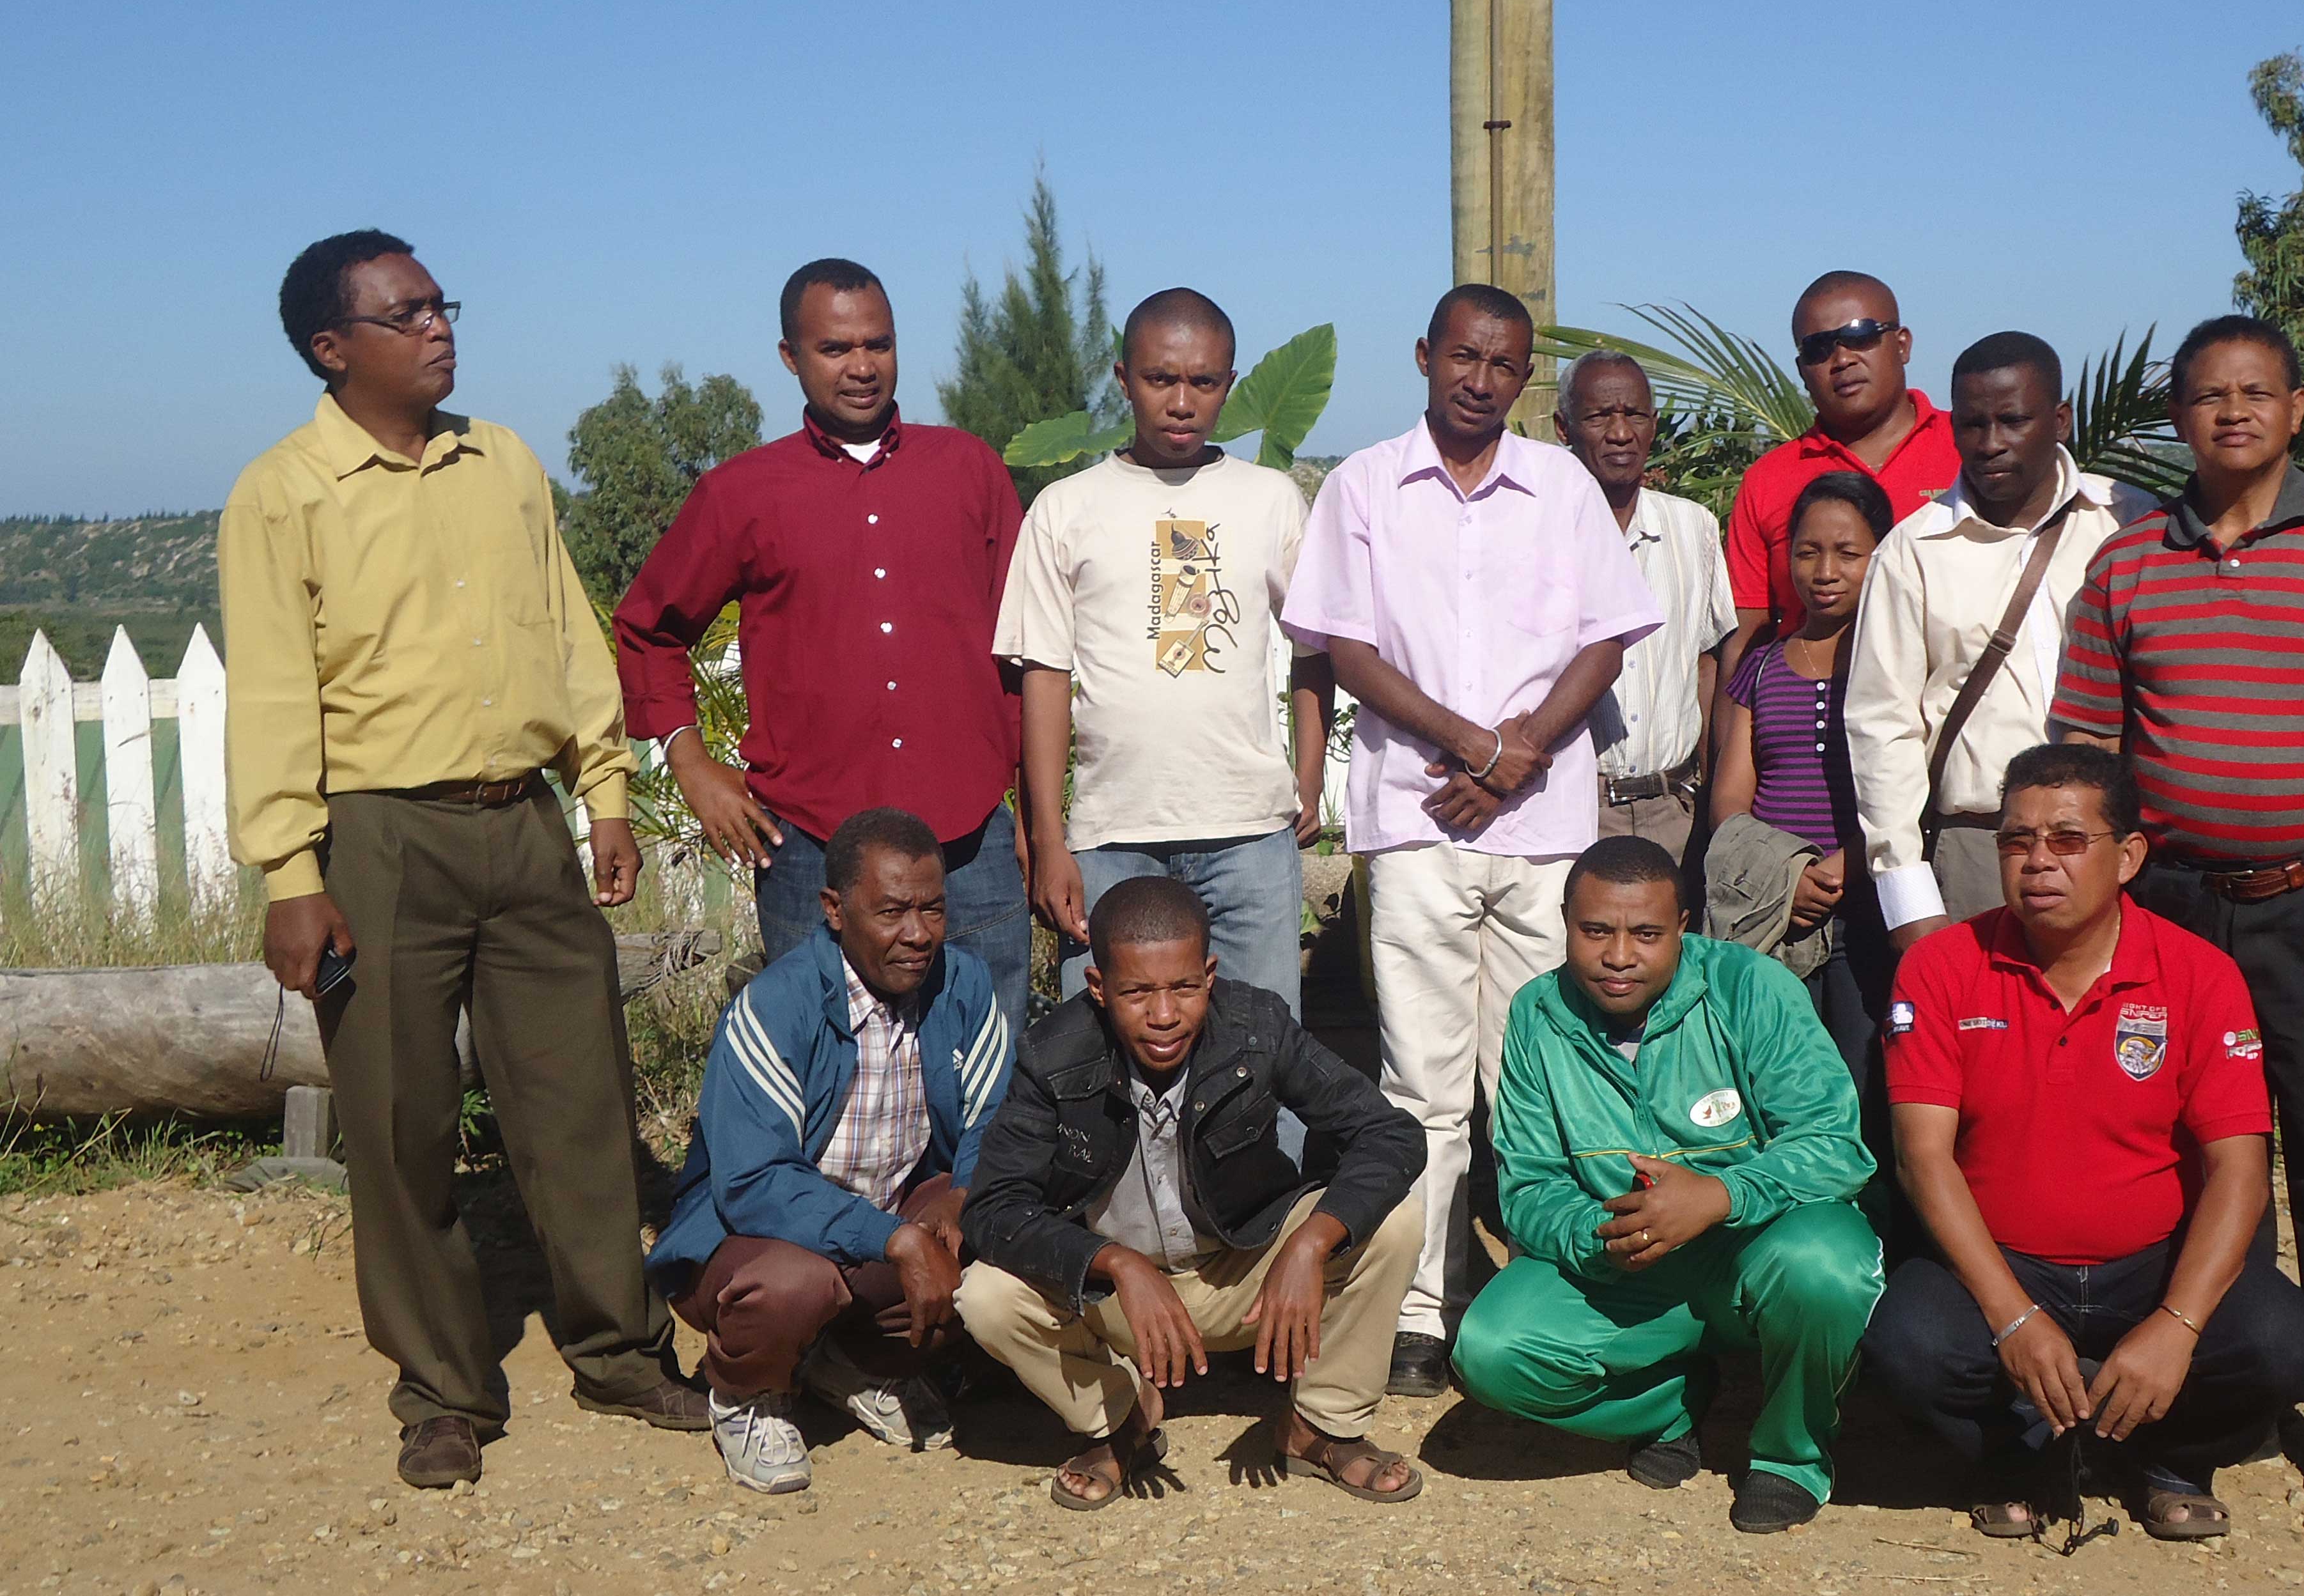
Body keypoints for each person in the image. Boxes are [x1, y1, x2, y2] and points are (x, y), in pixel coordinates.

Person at [221, 229, 704, 1489]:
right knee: (399, 1125)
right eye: (407, 313)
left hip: (525, 823)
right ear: (333, 349)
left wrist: (604, 792)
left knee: (579, 1103)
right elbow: (270, 693)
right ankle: (442, 1390)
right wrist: (291, 876)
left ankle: (620, 1352)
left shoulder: (505, 462)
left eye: (443, 305)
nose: (438, 327)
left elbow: (568, 632)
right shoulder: (284, 494)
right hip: (377, 839)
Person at [2048, 313, 2304, 1516]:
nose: (2232, 413)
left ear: (2297, 407)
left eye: (2256, 392)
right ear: (2177, 415)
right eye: (2208, 395)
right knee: (2194, 1153)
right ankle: (2227, 1394)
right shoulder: (2127, 566)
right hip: (2171, 904)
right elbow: (2089, 743)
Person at [1280, 284, 1662, 1398]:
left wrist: (1521, 755)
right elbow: (1346, 650)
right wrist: (1473, 748)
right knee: (1422, 1087)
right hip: (1416, 819)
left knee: (1542, 1078)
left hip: (1543, 833)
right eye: (1463, 357)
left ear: (1524, 377)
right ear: (1425, 356)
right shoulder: (1363, 486)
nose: (1481, 380)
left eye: (1503, 365)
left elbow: (1607, 639)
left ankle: (1558, 1292)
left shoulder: (1563, 487)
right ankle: (1422, 1310)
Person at [1863, 745, 2304, 1540]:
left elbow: (2240, 1172)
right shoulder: (1942, 967)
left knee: (2283, 1343)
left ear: (2130, 857)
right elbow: (1923, 1158)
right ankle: (2018, 1455)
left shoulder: (2200, 974)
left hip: (2152, 1265)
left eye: (2069, 840)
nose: (2038, 861)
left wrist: (2178, 1323)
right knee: (1908, 1346)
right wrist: (2012, 1317)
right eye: (2017, 840)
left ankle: (2168, 1458)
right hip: (2003, 1261)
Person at [615, 258, 1031, 1039]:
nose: (862, 366)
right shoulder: (741, 494)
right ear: (791, 356)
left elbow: (1025, 651)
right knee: (825, 1067)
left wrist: (1034, 817)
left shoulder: (969, 470)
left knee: (989, 1064)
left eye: (879, 344)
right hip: (810, 845)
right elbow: (648, 628)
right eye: (836, 349)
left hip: (970, 842)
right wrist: (689, 762)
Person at [1451, 837, 1883, 1533]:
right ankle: (1669, 1404)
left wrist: (1721, 1197)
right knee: (1490, 1352)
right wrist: (1604, 1236)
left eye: (1647, 934)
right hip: (1628, 1267)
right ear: (1565, 923)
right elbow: (1530, 1186)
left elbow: (1835, 1145)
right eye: (1596, 931)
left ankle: (1790, 1456)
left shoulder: (1752, 988)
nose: (1619, 956)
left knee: (1828, 1270)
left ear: (1683, 927)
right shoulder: (1536, 1013)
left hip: (1756, 1249)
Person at [958, 877, 1428, 1509]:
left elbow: (1390, 1134)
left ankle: (1323, 1428)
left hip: (1245, 1272)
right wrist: (1114, 1263)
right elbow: (993, 1209)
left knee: (1394, 1220)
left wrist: (1311, 1243)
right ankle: (1121, 1418)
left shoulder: (1257, 1027)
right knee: (986, 1295)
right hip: (1119, 1301)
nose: (1163, 1015)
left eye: (1183, 987)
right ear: (1098, 987)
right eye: (1136, 993)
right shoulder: (1052, 1055)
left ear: (1209, 975)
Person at [648, 809, 1010, 1494]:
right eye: (892, 912)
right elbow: (754, 1183)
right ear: (835, 910)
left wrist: (963, 1198)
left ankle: (853, 1364)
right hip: (759, 1237)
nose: (918, 934)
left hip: (884, 1215)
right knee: (796, 1287)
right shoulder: (775, 1006)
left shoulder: (964, 984)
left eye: (933, 909)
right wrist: (895, 1240)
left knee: (995, 1230)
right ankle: (749, 1394)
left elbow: (995, 1120)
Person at [995, 286, 1331, 1016]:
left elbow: (1315, 648)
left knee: (1262, 1045)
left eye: (1203, 382)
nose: (1181, 402)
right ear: (1124, 378)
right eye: (1160, 379)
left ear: (1229, 384)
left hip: (1249, 834)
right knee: (1105, 1053)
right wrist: (1049, 838)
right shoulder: (1065, 509)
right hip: (1111, 838)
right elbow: (1043, 678)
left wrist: (1308, 780)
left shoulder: (1271, 499)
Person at [1846, 332, 2151, 943]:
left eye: (2013, 421)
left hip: (2122, 852)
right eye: (1972, 424)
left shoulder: (2129, 523)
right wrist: (1909, 900)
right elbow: (1882, 727)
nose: (1990, 444)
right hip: (1980, 852)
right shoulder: (1912, 551)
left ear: (2060, 421)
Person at [1707, 472, 1899, 1197]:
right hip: (1776, 918)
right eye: (1808, 551)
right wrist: (1788, 877)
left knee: (1862, 1087)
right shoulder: (1760, 668)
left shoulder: (1896, 662)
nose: (1824, 572)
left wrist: (1850, 863)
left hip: (1868, 914)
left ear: (1883, 555)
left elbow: (1913, 783)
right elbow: (1731, 801)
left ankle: (1867, 1238)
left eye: (1848, 553)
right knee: (1774, 1088)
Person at [1718, 272, 1959, 701]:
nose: (1842, 359)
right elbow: (1748, 632)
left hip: (1953, 714)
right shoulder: (1768, 480)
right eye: (1819, 348)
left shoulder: (1970, 451)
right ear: (1802, 370)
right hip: (1808, 721)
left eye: (1860, 336)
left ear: (1902, 344)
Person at [1555, 350, 1736, 862]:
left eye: (1634, 415)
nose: (1620, 433)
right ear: (1565, 428)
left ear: (1654, 424)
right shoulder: (1538, 534)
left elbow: (1708, 665)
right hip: (1571, 808)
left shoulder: (1694, 528)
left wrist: (1709, 797)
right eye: (1599, 416)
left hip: (1674, 808)